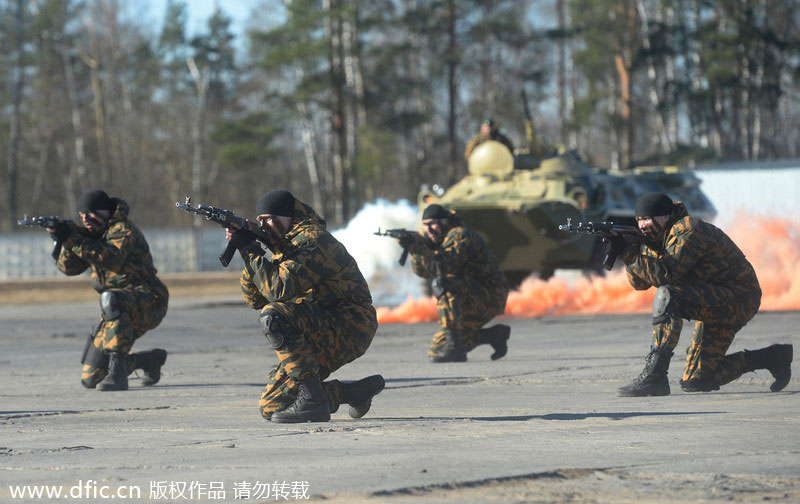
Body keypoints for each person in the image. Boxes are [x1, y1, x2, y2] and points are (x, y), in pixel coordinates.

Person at [226, 189, 384, 423]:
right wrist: (250, 250)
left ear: (288, 216)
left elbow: (277, 290)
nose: (264, 226)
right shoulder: (284, 247)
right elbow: (255, 299)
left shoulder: (312, 240)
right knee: (272, 406)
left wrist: (251, 251)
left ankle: (312, 401)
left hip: (350, 326)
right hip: (319, 327)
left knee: (273, 317)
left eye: (269, 219)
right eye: (260, 221)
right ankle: (351, 393)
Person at [615, 192, 792, 396]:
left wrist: (628, 254)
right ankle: (773, 357)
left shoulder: (688, 229)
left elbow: (666, 275)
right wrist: (631, 249)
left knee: (668, 296)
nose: (642, 225)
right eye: (638, 220)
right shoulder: (655, 239)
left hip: (739, 298)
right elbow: (640, 284)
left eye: (647, 218)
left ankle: (655, 377)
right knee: (697, 381)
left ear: (665, 216)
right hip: (711, 299)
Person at [46, 189, 169, 391]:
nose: (86, 219)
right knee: (90, 378)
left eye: (92, 213)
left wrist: (73, 239)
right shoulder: (93, 235)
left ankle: (118, 375)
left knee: (111, 299)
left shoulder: (123, 229)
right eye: (82, 215)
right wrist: (63, 239)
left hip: (149, 299)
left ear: (106, 211)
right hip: (117, 308)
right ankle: (148, 361)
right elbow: (69, 268)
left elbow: (110, 258)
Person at [401, 204, 510, 362]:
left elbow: (445, 266)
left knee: (443, 283)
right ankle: (494, 335)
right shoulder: (438, 238)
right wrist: (415, 249)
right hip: (469, 295)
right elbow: (424, 272)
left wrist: (420, 247)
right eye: (425, 225)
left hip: (490, 296)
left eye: (432, 224)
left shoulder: (459, 234)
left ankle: (455, 348)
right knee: (437, 349)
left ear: (444, 221)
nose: (428, 229)